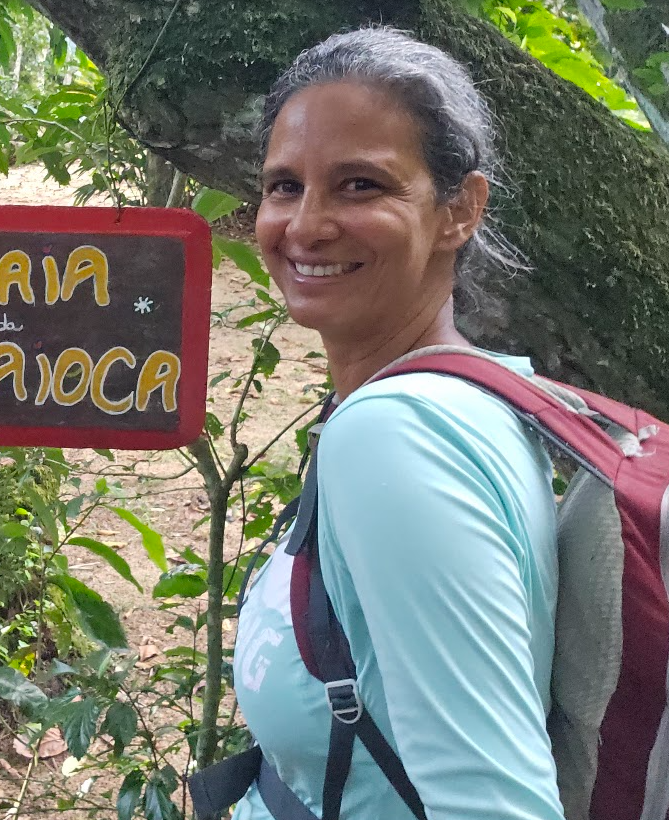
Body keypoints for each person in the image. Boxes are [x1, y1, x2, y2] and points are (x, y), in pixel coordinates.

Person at [229, 27, 564, 820]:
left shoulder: (396, 438)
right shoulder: (482, 392)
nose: (304, 226)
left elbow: (494, 804)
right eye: (284, 186)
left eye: (358, 186)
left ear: (460, 209)